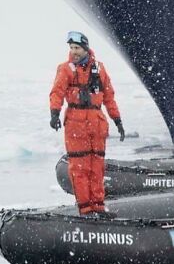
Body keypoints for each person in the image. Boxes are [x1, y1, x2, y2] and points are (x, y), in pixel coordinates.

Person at [49, 31, 125, 216]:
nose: (73, 51)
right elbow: (57, 92)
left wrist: (117, 120)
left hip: (97, 124)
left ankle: (98, 206)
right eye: (71, 48)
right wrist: (54, 113)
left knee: (97, 167)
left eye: (77, 48)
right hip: (76, 123)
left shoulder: (100, 68)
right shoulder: (65, 69)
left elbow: (109, 97)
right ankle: (85, 209)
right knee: (79, 168)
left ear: (85, 49)